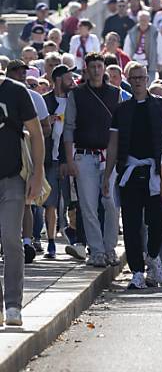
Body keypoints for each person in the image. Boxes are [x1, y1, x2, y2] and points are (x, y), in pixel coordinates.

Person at [104, 62, 162, 289]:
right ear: (128, 80)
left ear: (147, 79)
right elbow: (113, 144)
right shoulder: (122, 110)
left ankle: (152, 256)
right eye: (133, 78)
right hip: (130, 172)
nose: (137, 82)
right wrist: (107, 175)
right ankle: (136, 272)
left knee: (159, 219)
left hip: (157, 172)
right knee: (131, 224)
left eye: (141, 77)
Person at [63, 52, 123, 267]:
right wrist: (69, 160)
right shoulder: (76, 94)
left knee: (110, 203)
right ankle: (96, 250)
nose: (96, 70)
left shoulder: (115, 93)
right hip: (84, 155)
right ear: (86, 70)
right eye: (93, 67)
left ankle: (110, 248)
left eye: (99, 66)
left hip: (109, 156)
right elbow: (68, 128)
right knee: (88, 206)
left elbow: (119, 129)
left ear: (104, 68)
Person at [0, 67, 45, 327]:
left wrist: (38, 174)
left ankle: (13, 305)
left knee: (11, 239)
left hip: (13, 176)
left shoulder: (16, 91)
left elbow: (36, 133)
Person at [42, 65, 74, 259]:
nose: (73, 81)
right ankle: (51, 242)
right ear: (59, 79)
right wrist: (47, 123)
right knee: (50, 203)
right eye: (69, 78)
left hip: (70, 159)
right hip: (49, 160)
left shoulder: (74, 100)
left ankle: (76, 239)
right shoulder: (45, 101)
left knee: (73, 202)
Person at [124, 11, 159, 84]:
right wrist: (127, 61)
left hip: (149, 64)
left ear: (149, 20)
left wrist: (160, 62)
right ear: (138, 20)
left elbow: (160, 48)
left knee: (149, 83)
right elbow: (127, 48)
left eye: (145, 20)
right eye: (141, 20)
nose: (143, 22)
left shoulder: (155, 32)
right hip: (135, 61)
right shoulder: (132, 32)